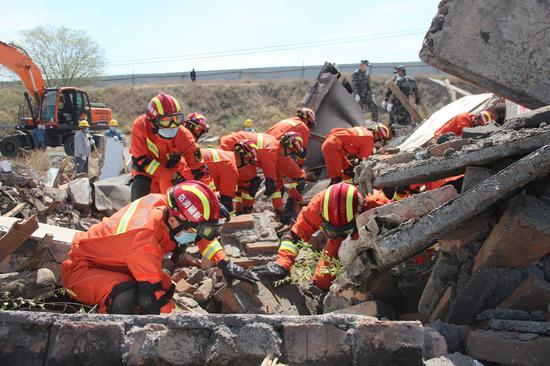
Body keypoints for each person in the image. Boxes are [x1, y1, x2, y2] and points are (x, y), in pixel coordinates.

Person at [61, 181, 258, 315]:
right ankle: (108, 328)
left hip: (113, 262)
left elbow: (198, 232)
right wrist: (175, 321)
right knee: (131, 296)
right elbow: (151, 299)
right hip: (81, 271)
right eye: (198, 230)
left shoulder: (165, 203)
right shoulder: (144, 241)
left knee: (165, 286)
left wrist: (224, 263)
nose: (199, 236)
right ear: (173, 220)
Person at [254, 182, 388, 290]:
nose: (338, 233)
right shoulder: (317, 207)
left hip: (372, 238)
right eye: (332, 231)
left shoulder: (376, 204)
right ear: (322, 217)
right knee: (324, 281)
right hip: (340, 241)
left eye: (344, 231)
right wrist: (281, 264)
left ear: (359, 214)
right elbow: (294, 236)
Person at [129, 93, 213, 201]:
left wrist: (212, 198)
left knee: (175, 203)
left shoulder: (184, 135)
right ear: (152, 121)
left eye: (176, 119)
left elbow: (200, 170)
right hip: (146, 170)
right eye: (165, 120)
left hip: (172, 170)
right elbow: (142, 160)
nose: (172, 125)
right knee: (140, 198)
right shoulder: (140, 127)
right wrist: (171, 175)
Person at [219, 131, 306, 216]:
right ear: (288, 147)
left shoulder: (275, 148)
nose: (290, 154)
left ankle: (240, 211)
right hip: (231, 147)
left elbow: (278, 179)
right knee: (251, 182)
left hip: (237, 146)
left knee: (247, 182)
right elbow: (271, 184)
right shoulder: (270, 151)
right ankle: (241, 213)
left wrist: (280, 208)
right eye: (291, 151)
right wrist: (280, 209)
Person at [321, 124, 391, 185]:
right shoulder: (369, 141)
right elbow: (361, 162)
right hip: (333, 148)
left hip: (334, 145)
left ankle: (348, 186)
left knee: (348, 170)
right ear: (381, 139)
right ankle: (331, 196)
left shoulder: (364, 130)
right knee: (336, 179)